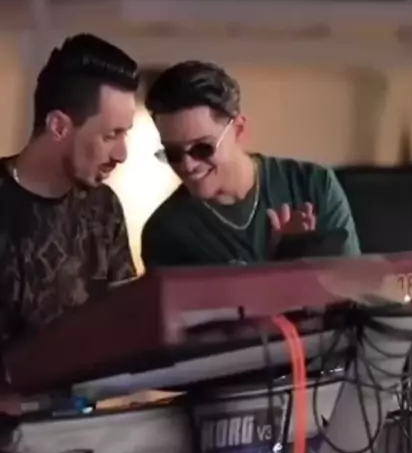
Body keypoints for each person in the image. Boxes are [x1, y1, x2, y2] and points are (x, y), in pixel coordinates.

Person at [142, 61, 360, 268]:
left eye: (202, 148)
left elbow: (352, 286)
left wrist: (299, 254)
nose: (188, 165)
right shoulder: (165, 232)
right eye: (173, 153)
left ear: (238, 129)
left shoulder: (313, 185)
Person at [0, 33, 140, 351]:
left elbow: (126, 323)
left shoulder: (104, 208)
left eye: (125, 134)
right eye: (111, 135)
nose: (122, 154)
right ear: (59, 126)